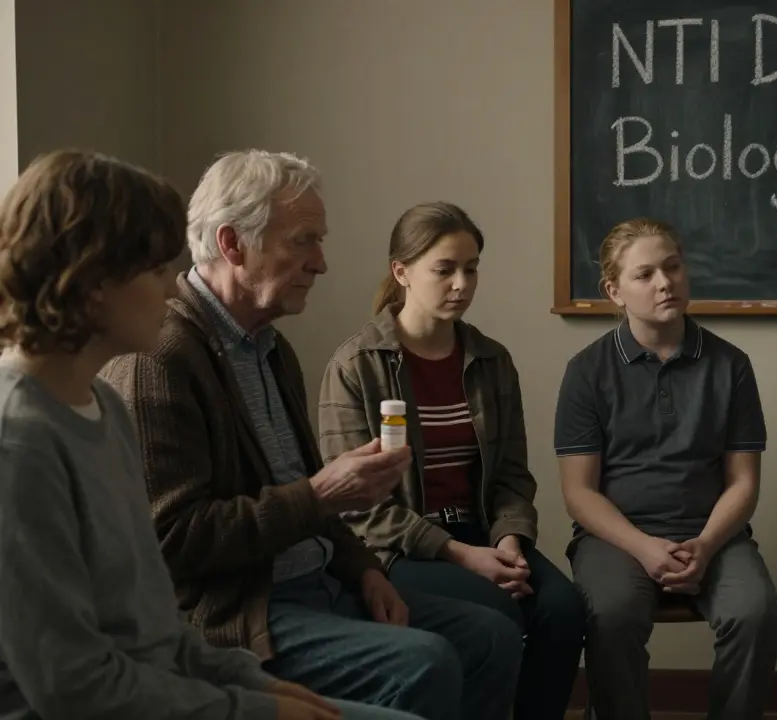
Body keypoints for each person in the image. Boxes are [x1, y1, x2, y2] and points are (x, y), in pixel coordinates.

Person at [100, 150, 522, 720]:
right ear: (232, 244)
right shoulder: (161, 358)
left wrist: (364, 568)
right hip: (241, 612)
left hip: (321, 583)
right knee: (426, 661)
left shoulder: (272, 350)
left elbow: (307, 502)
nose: (321, 263)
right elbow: (173, 541)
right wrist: (321, 494)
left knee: (492, 636)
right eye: (303, 241)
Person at [0, 149, 421, 720]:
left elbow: (152, 622)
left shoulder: (100, 405)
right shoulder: (19, 443)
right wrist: (246, 707)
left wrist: (247, 682)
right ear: (93, 279)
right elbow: (71, 687)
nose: (172, 291)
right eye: (154, 271)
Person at [318, 200, 588, 720]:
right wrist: (461, 556)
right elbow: (354, 506)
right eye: (444, 270)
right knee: (497, 613)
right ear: (402, 272)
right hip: (399, 549)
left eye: (471, 268)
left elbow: (512, 475)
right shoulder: (356, 365)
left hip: (484, 534)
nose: (461, 283)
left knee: (563, 608)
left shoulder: (491, 360)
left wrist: (508, 541)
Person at [554, 218, 777, 720]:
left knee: (757, 613)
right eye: (645, 274)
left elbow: (744, 481)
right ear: (615, 290)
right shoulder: (586, 371)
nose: (665, 282)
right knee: (611, 615)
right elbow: (579, 493)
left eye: (673, 267)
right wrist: (642, 546)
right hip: (616, 538)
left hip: (714, 535)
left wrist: (703, 545)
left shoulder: (731, 364)